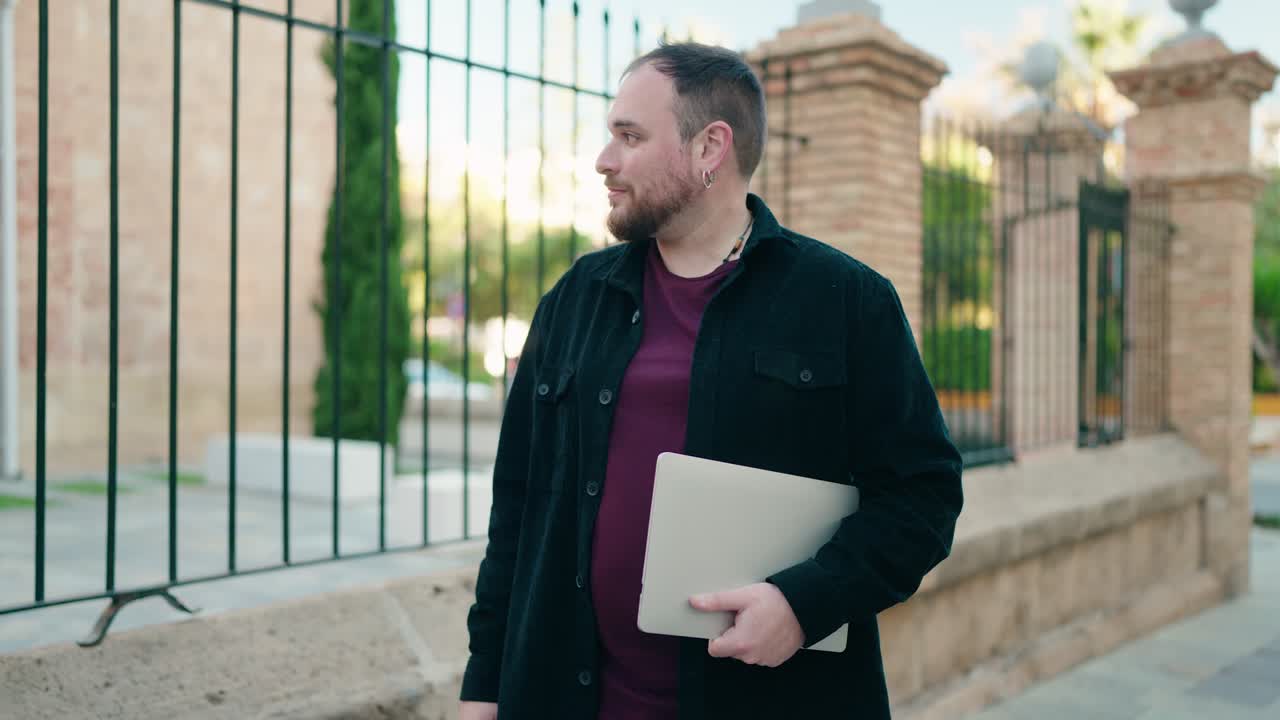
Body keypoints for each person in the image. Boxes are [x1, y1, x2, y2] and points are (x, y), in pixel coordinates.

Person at [459, 41, 964, 720]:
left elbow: (922, 497)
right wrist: (483, 687)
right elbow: (515, 511)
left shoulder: (847, 302)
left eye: (629, 136)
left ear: (709, 149)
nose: (604, 160)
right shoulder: (575, 299)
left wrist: (802, 603)